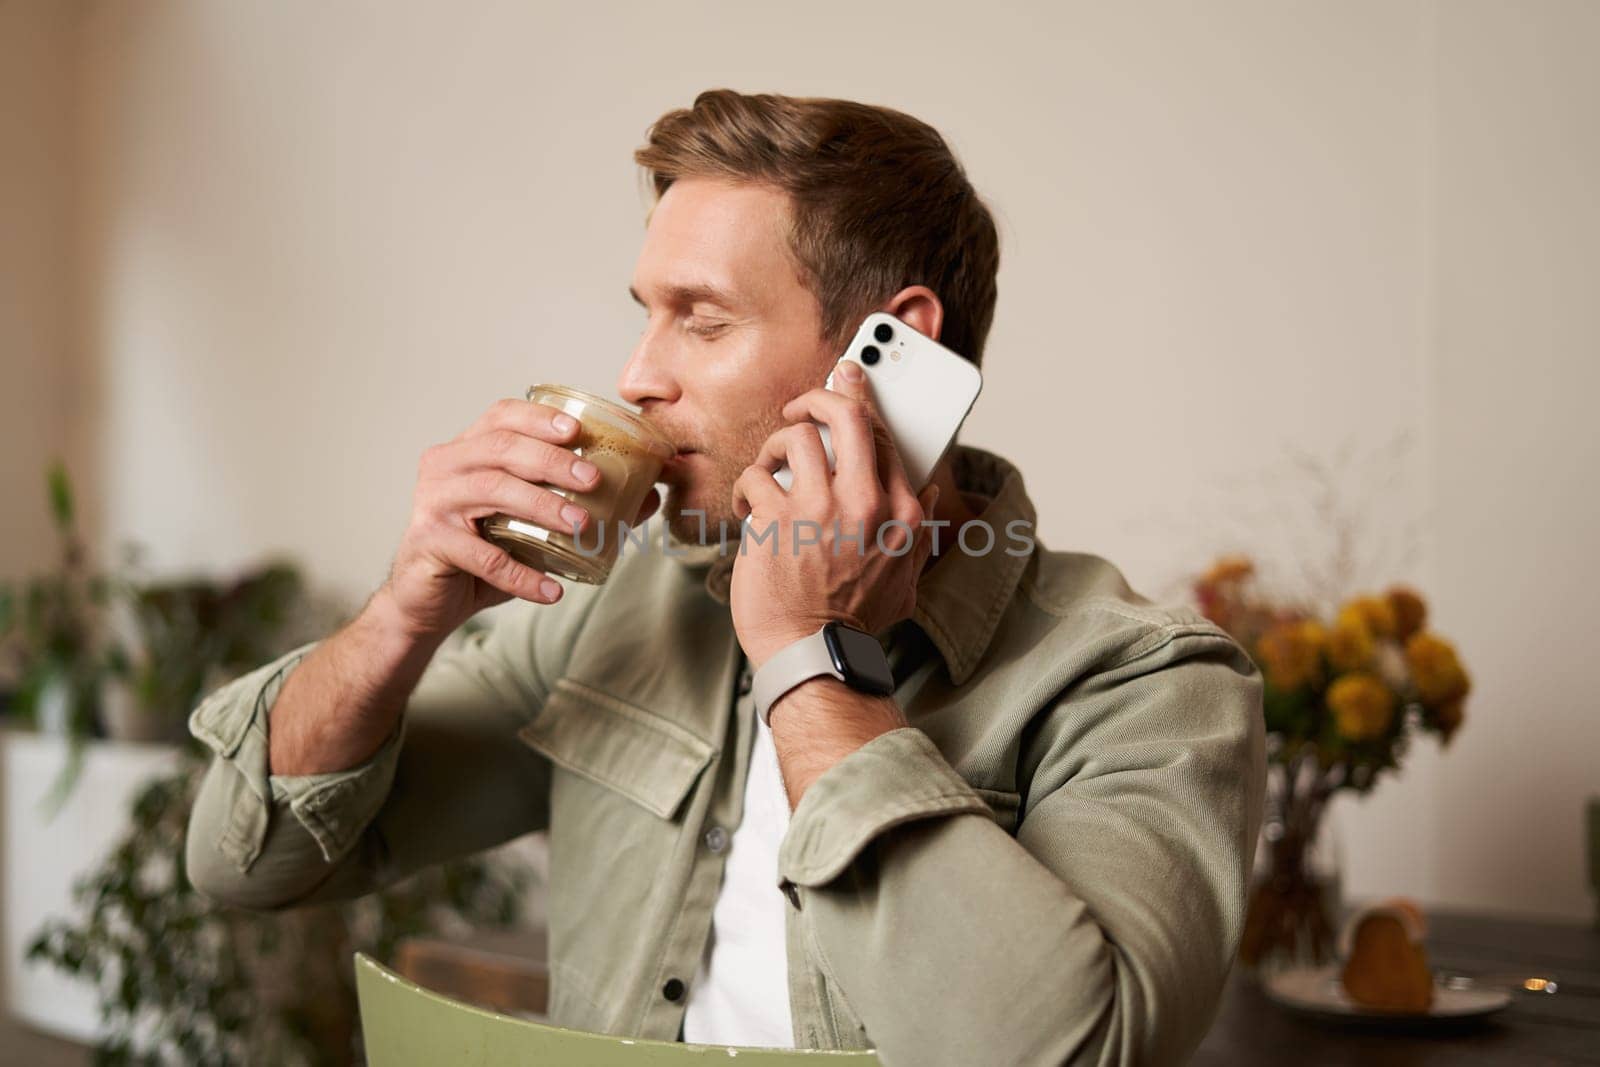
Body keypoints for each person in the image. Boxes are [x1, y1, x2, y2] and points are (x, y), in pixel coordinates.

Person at [185, 89, 1265, 1066]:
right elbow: (251, 859)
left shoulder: (1145, 685)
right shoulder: (620, 609)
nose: (637, 376)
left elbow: (1075, 1052)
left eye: (700, 318)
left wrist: (812, 655)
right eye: (645, 311)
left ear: (891, 350)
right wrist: (401, 614)